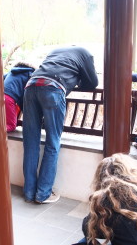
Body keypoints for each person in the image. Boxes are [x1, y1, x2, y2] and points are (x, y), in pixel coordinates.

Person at [22, 46, 99, 204]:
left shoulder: (55, 51)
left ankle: (29, 192)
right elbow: (92, 83)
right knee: (53, 143)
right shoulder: (86, 53)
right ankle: (43, 193)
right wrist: (77, 80)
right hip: (53, 88)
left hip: (31, 86)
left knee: (30, 142)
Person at [3, 62, 36, 132]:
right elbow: (25, 96)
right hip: (9, 98)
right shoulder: (30, 74)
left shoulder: (12, 71)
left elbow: (2, 78)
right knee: (11, 126)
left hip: (0, 96)